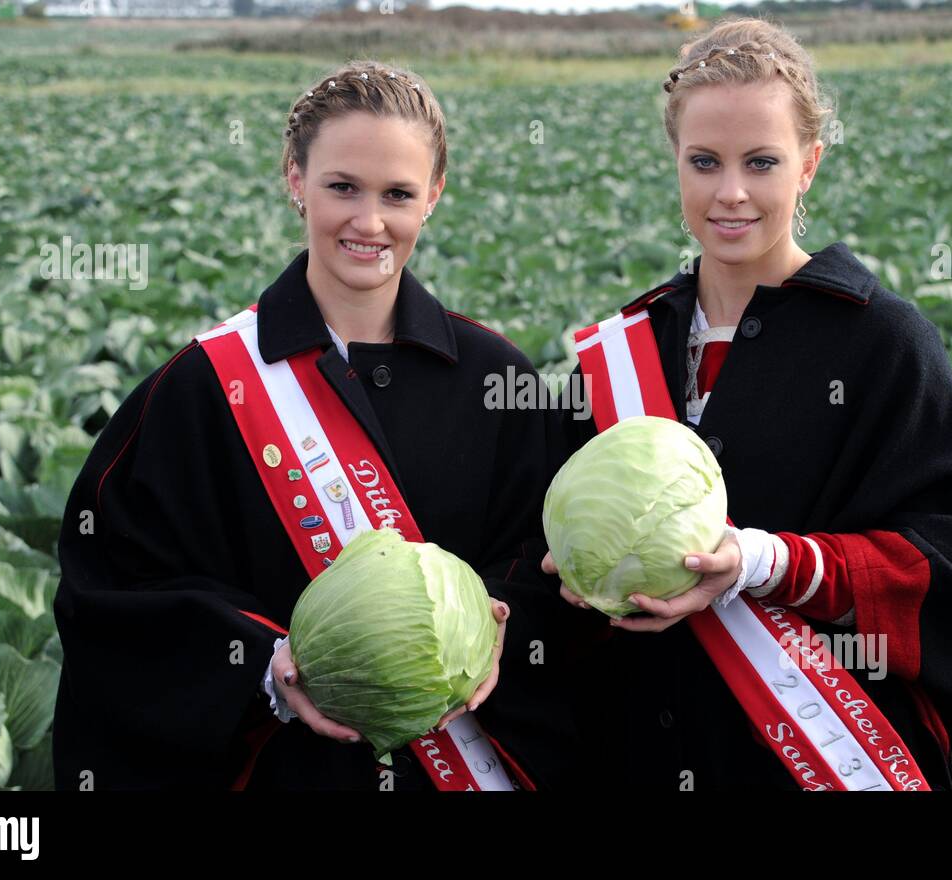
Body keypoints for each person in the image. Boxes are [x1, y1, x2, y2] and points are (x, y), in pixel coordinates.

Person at [52, 60, 580, 790]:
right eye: (342, 187)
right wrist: (265, 664)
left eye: (398, 193)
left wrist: (493, 619)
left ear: (434, 196)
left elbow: (554, 556)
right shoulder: (202, 387)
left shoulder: (497, 376)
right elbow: (110, 592)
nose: (370, 222)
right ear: (295, 180)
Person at [543, 18, 952, 791]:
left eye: (761, 162)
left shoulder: (883, 342)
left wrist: (766, 563)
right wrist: (568, 577)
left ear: (809, 164)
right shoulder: (625, 348)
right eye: (705, 162)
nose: (730, 192)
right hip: (645, 756)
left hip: (811, 765)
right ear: (675, 161)